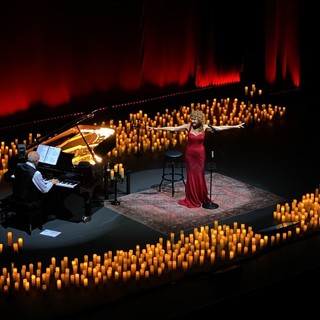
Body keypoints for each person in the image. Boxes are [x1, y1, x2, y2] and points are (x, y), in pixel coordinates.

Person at [149, 110, 245, 208]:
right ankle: (192, 198)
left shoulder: (205, 127)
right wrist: (156, 128)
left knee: (199, 174)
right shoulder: (188, 126)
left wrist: (235, 126)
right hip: (190, 155)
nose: (193, 121)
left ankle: (200, 196)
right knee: (191, 175)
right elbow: (173, 129)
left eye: (195, 119)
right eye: (192, 119)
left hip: (200, 155)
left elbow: (219, 128)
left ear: (200, 119)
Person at [12, 150, 59, 221]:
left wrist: (44, 181)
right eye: (38, 159)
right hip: (28, 199)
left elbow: (24, 179)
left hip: (18, 195)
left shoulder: (19, 166)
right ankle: (45, 216)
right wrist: (51, 182)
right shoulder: (36, 173)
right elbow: (44, 190)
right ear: (36, 161)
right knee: (51, 193)